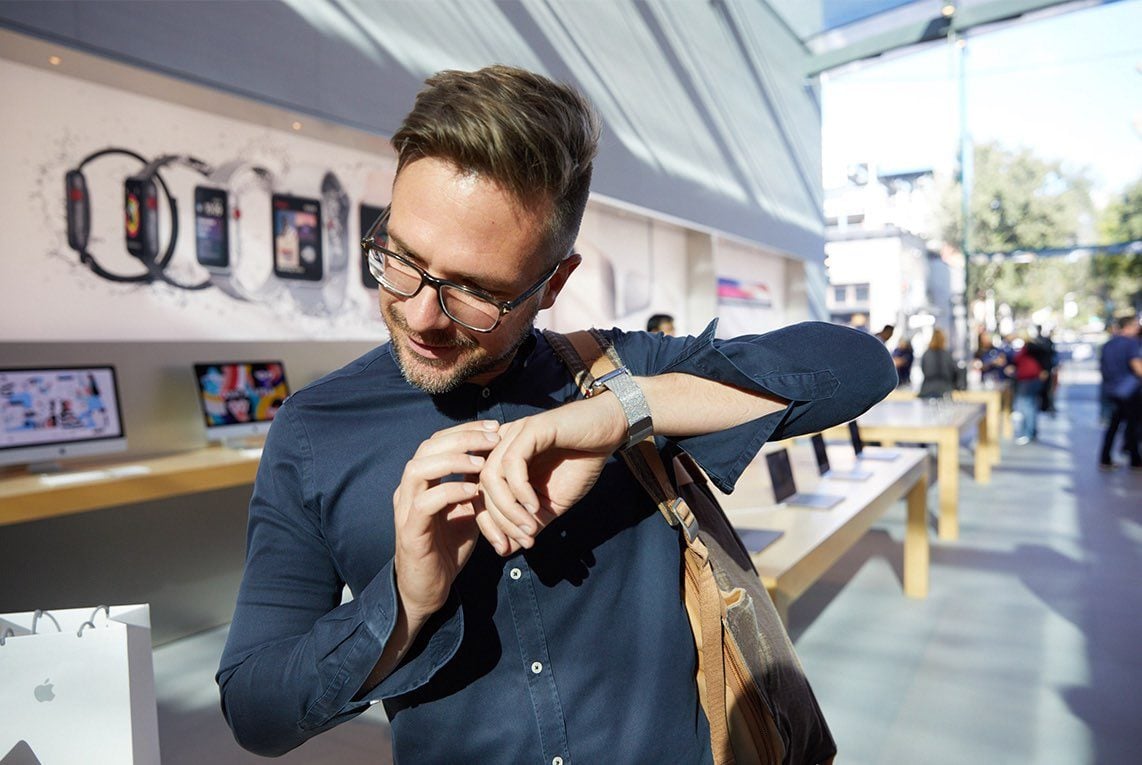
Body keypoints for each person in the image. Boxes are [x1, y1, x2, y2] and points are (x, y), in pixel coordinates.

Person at [216, 65, 896, 761]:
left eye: (475, 293)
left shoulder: (616, 368)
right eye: (402, 258)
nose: (421, 314)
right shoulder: (312, 429)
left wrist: (618, 413)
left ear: (553, 284)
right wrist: (404, 602)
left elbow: (860, 366)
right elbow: (255, 709)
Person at [1098, 314, 1142, 470]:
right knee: (1132, 425)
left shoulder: (1108, 344)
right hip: (1129, 391)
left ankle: (1105, 457)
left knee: (1113, 425)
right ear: (1129, 326)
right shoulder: (1131, 344)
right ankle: (1135, 458)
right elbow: (1137, 367)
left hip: (1111, 390)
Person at [1011, 332, 1049, 444]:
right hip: (1027, 380)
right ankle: (1030, 432)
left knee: (1026, 407)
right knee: (1028, 406)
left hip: (1029, 380)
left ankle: (1028, 433)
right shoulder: (1027, 350)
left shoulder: (1032, 349)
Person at [918, 328, 956, 398]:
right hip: (944, 390)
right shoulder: (947, 355)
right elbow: (952, 372)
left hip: (927, 390)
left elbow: (923, 370)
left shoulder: (926, 354)